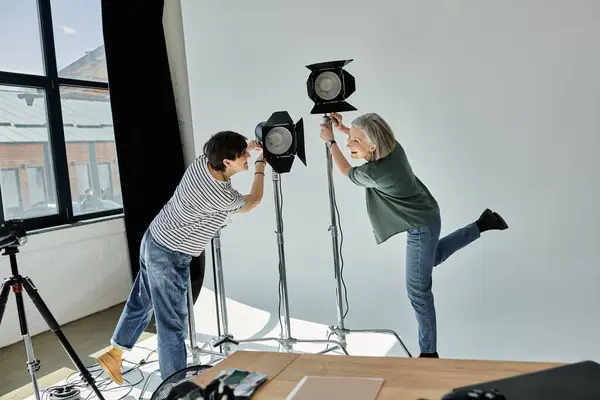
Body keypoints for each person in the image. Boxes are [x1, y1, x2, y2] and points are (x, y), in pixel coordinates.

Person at [319, 112, 508, 358]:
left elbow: (346, 170)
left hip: (420, 226)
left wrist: (330, 141)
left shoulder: (376, 173)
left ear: (373, 145)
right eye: (350, 139)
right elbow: (369, 144)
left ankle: (429, 353)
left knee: (418, 290)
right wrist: (344, 129)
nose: (349, 144)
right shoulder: (394, 148)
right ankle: (482, 224)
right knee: (433, 257)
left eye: (355, 140)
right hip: (429, 214)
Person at [97, 131, 266, 382]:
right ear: (227, 163)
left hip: (153, 238)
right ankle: (173, 388)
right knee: (172, 327)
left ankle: (115, 353)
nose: (246, 157)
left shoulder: (202, 163)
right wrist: (261, 165)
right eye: (242, 155)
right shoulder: (221, 195)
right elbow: (253, 201)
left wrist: (247, 148)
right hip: (169, 256)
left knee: (142, 300)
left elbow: (221, 152)